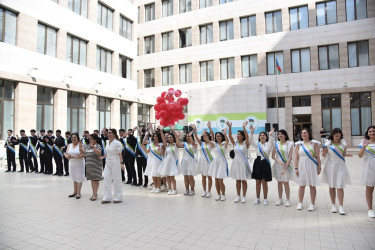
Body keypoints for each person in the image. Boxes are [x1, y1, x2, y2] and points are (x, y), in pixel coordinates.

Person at [321, 128, 352, 215]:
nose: (338, 138)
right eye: (336, 136)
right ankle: (333, 205)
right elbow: (325, 153)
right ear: (333, 135)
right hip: (331, 166)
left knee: (340, 186)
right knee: (332, 186)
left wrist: (347, 155)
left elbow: (343, 154)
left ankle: (341, 206)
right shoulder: (329, 143)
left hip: (341, 166)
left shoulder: (343, 143)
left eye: (339, 136)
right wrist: (323, 153)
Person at [295, 128, 322, 211]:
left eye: (305, 133)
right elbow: (296, 158)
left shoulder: (314, 144)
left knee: (312, 185)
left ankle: (312, 204)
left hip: (311, 166)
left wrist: (319, 167)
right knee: (301, 185)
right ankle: (300, 203)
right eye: (302, 133)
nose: (303, 134)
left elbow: (317, 156)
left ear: (309, 134)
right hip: (302, 166)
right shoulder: (298, 144)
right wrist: (296, 168)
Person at [227, 121, 251, 203]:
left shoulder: (245, 144)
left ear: (242, 136)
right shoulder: (235, 143)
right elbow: (229, 136)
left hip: (243, 163)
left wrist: (244, 128)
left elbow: (247, 137)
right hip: (236, 163)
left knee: (243, 180)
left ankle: (244, 196)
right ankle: (238, 196)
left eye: (239, 134)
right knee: (237, 180)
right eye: (237, 134)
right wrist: (230, 127)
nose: (237, 135)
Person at [250, 126, 275, 205]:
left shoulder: (268, 144)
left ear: (266, 137)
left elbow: (272, 143)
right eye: (261, 135)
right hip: (258, 162)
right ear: (259, 137)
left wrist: (270, 135)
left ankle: (265, 198)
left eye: (264, 135)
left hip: (265, 163)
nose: (262, 136)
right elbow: (251, 141)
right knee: (258, 182)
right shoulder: (257, 144)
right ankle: (257, 198)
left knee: (264, 182)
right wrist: (252, 132)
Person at [100, 129, 125, 204]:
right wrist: (103, 157)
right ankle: (107, 197)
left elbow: (119, 154)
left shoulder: (117, 143)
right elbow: (107, 152)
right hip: (108, 162)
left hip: (115, 162)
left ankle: (118, 197)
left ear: (114, 134)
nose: (108, 134)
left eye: (110, 133)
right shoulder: (107, 142)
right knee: (106, 178)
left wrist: (121, 163)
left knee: (116, 179)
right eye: (108, 133)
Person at [271, 129, 294, 207]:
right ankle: (280, 199)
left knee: (286, 182)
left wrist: (285, 167)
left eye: (281, 134)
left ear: (285, 135)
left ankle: (288, 199)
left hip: (287, 164)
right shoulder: (276, 144)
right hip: (278, 165)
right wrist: (279, 162)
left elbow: (290, 157)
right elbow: (273, 156)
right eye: (279, 134)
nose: (280, 135)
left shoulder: (289, 144)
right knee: (279, 182)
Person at [207, 124, 229, 201]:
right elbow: (208, 140)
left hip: (222, 162)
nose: (218, 137)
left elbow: (228, 141)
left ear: (222, 137)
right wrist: (209, 128)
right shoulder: (214, 144)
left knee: (220, 180)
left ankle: (223, 194)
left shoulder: (224, 144)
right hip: (216, 162)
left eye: (219, 136)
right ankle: (218, 194)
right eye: (217, 136)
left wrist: (225, 134)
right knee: (216, 179)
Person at [192, 124, 213, 198]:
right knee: (203, 176)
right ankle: (204, 191)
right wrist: (195, 129)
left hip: (209, 160)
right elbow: (196, 136)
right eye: (205, 135)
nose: (206, 137)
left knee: (209, 176)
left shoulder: (211, 143)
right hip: (202, 160)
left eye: (207, 135)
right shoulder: (201, 143)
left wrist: (210, 128)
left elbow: (212, 135)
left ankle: (209, 191)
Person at [358, 125, 375, 218]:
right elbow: (360, 155)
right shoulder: (364, 142)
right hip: (368, 167)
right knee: (369, 188)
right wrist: (364, 147)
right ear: (367, 133)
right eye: (370, 131)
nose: (372, 133)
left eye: (373, 131)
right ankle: (370, 209)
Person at [158, 126, 180, 195]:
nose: (169, 138)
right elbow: (162, 138)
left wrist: (173, 130)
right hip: (167, 162)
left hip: (173, 162)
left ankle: (174, 189)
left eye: (171, 137)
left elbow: (177, 138)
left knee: (172, 177)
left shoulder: (176, 145)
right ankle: (169, 189)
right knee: (168, 176)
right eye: (168, 137)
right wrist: (161, 130)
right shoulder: (166, 145)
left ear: (173, 138)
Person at [176, 130, 198, 196]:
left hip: (191, 162)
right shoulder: (185, 144)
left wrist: (191, 136)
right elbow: (178, 144)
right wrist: (177, 136)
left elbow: (193, 144)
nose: (187, 137)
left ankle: (192, 190)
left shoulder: (194, 144)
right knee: (185, 176)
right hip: (185, 161)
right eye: (187, 136)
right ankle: (187, 189)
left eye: (189, 136)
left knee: (190, 176)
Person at [64, 133, 85, 199]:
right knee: (74, 177)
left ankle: (78, 193)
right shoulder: (69, 145)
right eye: (72, 137)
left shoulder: (80, 145)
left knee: (79, 177)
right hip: (72, 164)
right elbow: (66, 153)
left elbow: (83, 155)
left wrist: (75, 156)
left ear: (78, 138)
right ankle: (74, 192)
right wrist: (67, 156)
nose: (73, 138)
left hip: (79, 164)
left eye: (75, 137)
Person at [84, 133, 102, 201]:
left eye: (91, 139)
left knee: (95, 180)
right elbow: (85, 153)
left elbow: (99, 153)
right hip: (89, 166)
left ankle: (95, 194)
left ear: (95, 140)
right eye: (89, 139)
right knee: (92, 180)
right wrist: (80, 147)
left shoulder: (97, 146)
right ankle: (94, 193)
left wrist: (93, 147)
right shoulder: (88, 146)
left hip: (96, 166)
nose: (89, 140)